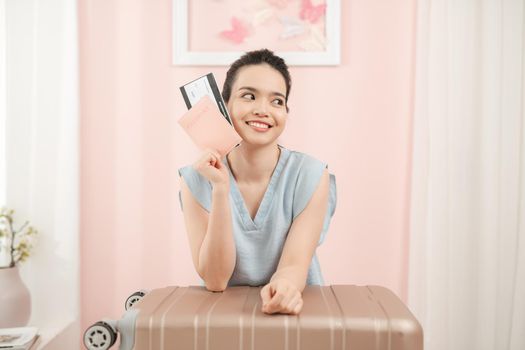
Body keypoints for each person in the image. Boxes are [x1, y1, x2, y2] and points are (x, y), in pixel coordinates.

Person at [178, 48, 336, 315]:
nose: (263, 110)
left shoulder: (311, 174)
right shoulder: (195, 179)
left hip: (293, 316)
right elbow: (215, 280)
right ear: (224, 105)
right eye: (249, 96)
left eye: (277, 101)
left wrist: (284, 288)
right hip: (221, 321)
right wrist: (220, 189)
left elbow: (295, 265)